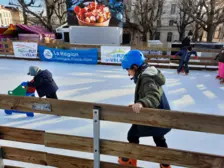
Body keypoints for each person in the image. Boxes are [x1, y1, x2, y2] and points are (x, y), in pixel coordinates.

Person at [118, 50, 171, 168]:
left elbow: (153, 95)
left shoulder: (147, 78)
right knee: (159, 137)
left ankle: (130, 161)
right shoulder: (147, 74)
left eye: (128, 69)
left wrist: (142, 103)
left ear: (135, 67)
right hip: (160, 116)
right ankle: (165, 164)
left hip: (155, 117)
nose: (128, 73)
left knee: (132, 135)